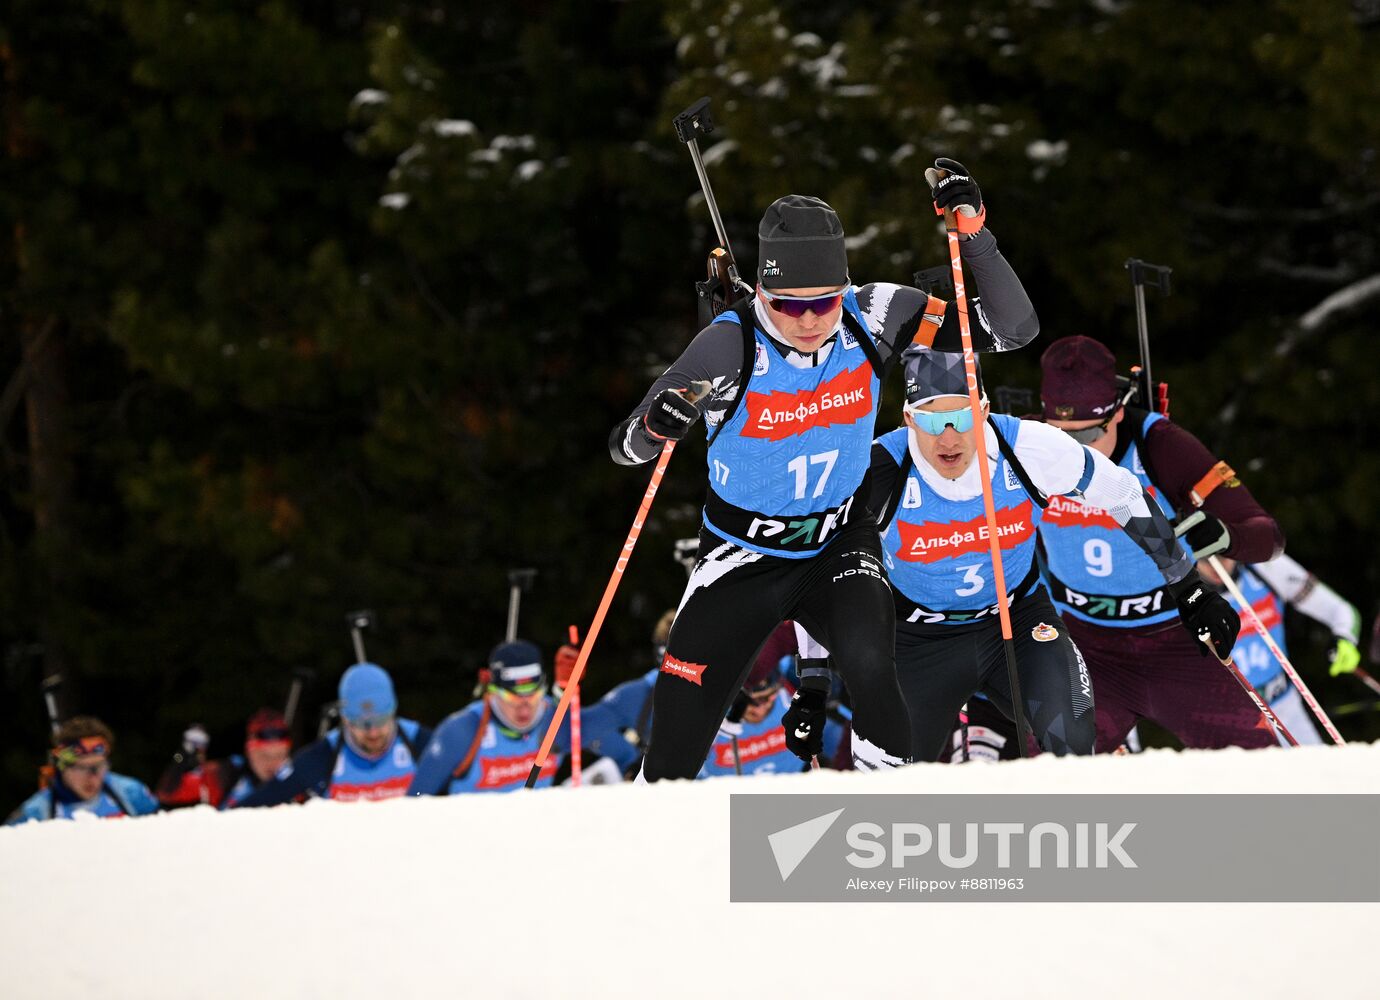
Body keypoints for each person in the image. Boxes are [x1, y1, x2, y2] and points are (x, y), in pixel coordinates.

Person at [608, 160, 1040, 778]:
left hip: (839, 541)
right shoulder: (729, 346)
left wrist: (973, 235)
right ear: (760, 292)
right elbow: (626, 449)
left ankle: (876, 824)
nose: (809, 321)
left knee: (873, 670)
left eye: (824, 302)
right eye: (787, 304)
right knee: (676, 744)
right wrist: (658, 426)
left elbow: (1011, 331)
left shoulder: (877, 315)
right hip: (740, 555)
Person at [863, 345, 1235, 761]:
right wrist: (814, 681)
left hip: (1016, 621)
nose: (948, 437)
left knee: (1074, 743)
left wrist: (1188, 587)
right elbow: (825, 567)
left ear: (984, 410)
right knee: (888, 779)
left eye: (963, 416)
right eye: (932, 419)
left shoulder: (1029, 448)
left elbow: (1125, 495)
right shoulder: (878, 468)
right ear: (909, 418)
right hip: (917, 637)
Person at [1036, 336, 1285, 750]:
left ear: (1117, 413)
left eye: (1089, 435)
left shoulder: (1162, 447)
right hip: (1082, 648)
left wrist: (1227, 535)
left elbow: (1268, 536)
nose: (1075, 454)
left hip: (1173, 640)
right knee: (1040, 776)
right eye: (1059, 436)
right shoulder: (1029, 448)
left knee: (1258, 766)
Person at [409, 639, 623, 794]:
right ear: (492, 692)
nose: (524, 709)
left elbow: (625, 755)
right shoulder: (463, 730)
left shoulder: (556, 719)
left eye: (534, 696)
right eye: (513, 699)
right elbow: (415, 804)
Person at [1200, 553, 1362, 745]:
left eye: (1222, 554)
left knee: (1321, 773)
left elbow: (1339, 610)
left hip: (1287, 709)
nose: (1217, 565)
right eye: (1204, 558)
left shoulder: (1264, 566)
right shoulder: (1179, 596)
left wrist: (1345, 638)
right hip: (1230, 725)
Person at [232, 664, 430, 806]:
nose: (373, 732)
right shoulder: (324, 757)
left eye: (381, 721)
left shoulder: (419, 744)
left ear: (393, 712)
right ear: (344, 719)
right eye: (362, 724)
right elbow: (254, 805)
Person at [7, 716, 158, 824]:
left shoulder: (130, 791)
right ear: (61, 768)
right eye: (81, 768)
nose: (92, 777)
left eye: (98, 766)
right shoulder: (38, 810)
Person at [156, 709, 294, 809]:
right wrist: (182, 755)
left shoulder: (295, 780)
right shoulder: (226, 773)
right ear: (250, 752)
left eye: (280, 755)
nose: (273, 763)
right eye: (264, 756)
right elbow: (166, 792)